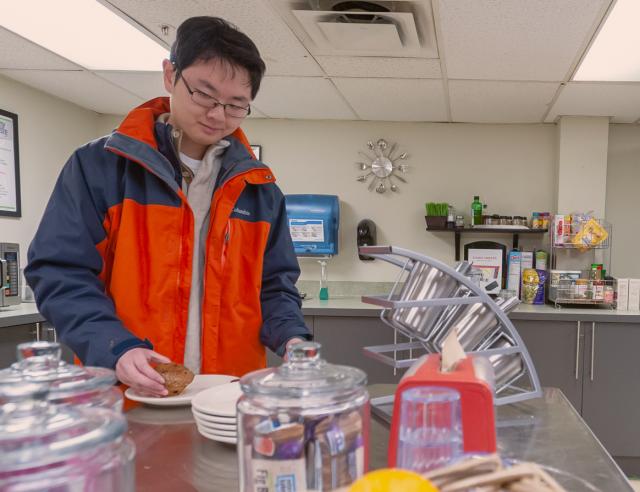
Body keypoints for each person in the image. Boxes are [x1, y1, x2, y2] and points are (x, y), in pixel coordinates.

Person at [25, 16, 310, 397]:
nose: (217, 114)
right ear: (169, 75)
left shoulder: (259, 190)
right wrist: (117, 347)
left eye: (236, 105)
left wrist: (293, 339)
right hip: (127, 393)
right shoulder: (101, 166)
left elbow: (275, 286)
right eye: (204, 95)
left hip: (227, 396)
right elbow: (60, 271)